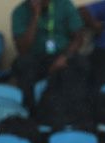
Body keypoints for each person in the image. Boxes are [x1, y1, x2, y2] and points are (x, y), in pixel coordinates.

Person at [11, 0, 91, 128]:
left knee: (80, 64)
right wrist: (35, 15)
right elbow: (23, 49)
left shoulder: (64, 5)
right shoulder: (20, 12)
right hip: (36, 57)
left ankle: (76, 120)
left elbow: (78, 36)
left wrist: (65, 56)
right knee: (22, 65)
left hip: (62, 55)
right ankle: (32, 117)